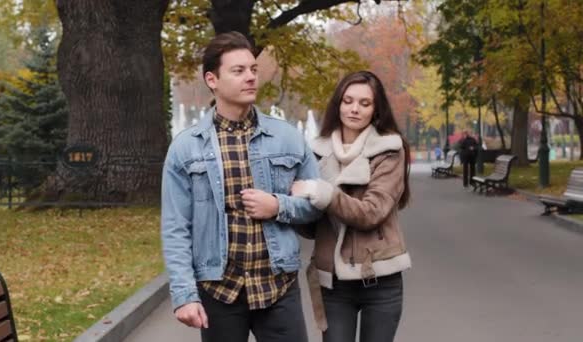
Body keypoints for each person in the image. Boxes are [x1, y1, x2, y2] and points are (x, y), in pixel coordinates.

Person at [161, 31, 321, 342]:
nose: (250, 78)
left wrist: (279, 206)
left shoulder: (288, 137)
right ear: (212, 80)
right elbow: (175, 227)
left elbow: (317, 203)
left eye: (253, 69)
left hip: (278, 287)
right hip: (219, 290)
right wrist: (185, 295)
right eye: (238, 71)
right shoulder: (185, 149)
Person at [291, 71, 412, 342]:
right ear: (338, 104)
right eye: (348, 100)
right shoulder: (316, 151)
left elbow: (372, 212)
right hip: (332, 282)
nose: (354, 109)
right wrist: (293, 204)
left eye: (364, 103)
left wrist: (322, 193)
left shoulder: (390, 149)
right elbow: (312, 229)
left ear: (376, 110)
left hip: (379, 279)